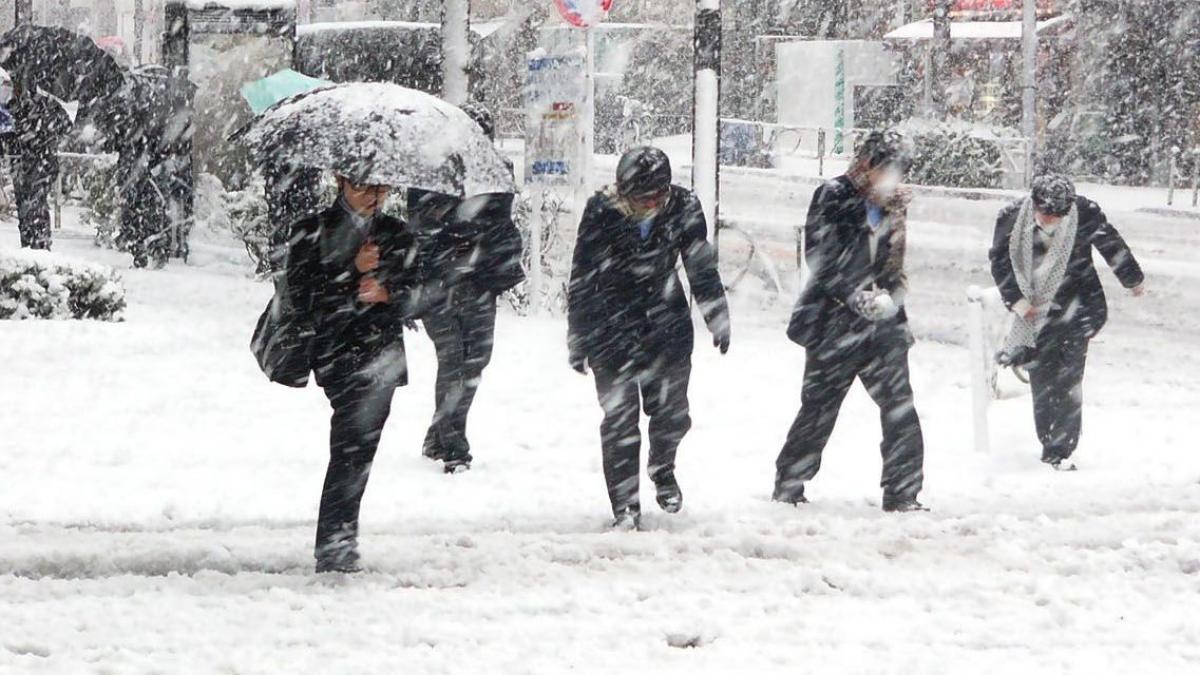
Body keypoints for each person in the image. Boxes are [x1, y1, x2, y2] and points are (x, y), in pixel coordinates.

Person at [568, 146, 731, 530]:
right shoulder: (601, 209)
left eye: (651, 198)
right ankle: (625, 506)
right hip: (611, 325)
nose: (642, 205)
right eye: (634, 198)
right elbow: (583, 274)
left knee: (672, 414)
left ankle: (662, 466)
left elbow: (700, 264)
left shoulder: (683, 207)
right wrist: (578, 335)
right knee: (619, 419)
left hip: (666, 323)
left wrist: (717, 316)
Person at [774, 129, 926, 513]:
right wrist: (854, 294)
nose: (893, 180)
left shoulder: (895, 205)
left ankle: (903, 492)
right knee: (819, 408)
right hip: (833, 323)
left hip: (883, 327)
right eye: (888, 170)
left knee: (900, 408)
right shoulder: (834, 195)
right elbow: (820, 256)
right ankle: (790, 485)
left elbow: (893, 265)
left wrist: (892, 297)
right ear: (868, 164)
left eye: (899, 172)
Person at [282, 174, 427, 573]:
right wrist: (349, 270)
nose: (374, 197)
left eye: (382, 189)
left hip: (382, 357)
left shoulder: (397, 234)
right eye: (365, 187)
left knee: (358, 451)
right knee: (350, 447)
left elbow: (420, 295)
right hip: (338, 353)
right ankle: (335, 542)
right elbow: (301, 294)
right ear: (341, 182)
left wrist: (388, 292)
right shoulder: (313, 231)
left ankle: (338, 538)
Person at [989, 174, 1145, 471]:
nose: (1052, 221)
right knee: (1043, 380)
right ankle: (1049, 441)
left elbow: (1110, 244)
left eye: (1058, 215)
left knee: (1069, 379)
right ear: (1033, 204)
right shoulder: (1011, 218)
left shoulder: (1083, 212)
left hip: (1078, 307)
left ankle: (1061, 449)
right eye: (1046, 214)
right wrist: (1019, 302)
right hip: (1035, 312)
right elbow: (999, 260)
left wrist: (1132, 279)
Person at [409, 104, 525, 474]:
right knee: (453, 358)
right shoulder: (428, 171)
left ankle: (438, 432)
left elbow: (501, 222)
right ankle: (455, 446)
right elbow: (421, 228)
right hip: (438, 282)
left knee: (475, 361)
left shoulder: (498, 170)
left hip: (481, 281)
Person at [0, 68, 71, 250]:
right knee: (28, 211)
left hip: (37, 164)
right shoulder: (15, 107)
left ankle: (39, 247)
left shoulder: (34, 104)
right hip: (28, 164)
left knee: (35, 210)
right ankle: (32, 247)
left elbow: (62, 123)